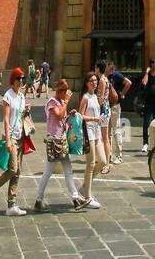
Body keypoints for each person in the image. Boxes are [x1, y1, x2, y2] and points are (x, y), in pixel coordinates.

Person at [34, 79, 84, 212]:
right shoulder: (52, 102)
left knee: (68, 169)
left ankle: (75, 198)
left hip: (61, 140)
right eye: (65, 92)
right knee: (48, 171)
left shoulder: (61, 102)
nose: (66, 95)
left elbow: (62, 119)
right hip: (54, 141)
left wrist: (69, 115)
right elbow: (57, 115)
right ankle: (38, 200)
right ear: (60, 91)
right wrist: (66, 102)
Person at [0, 68, 30, 217]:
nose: (22, 81)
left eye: (23, 78)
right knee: (12, 169)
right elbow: (6, 118)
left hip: (21, 136)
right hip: (10, 137)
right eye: (19, 78)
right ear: (13, 79)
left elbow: (21, 115)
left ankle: (12, 205)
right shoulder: (7, 96)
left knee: (17, 172)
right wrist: (8, 140)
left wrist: (27, 111)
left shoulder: (22, 96)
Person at [78, 71, 105, 210]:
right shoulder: (86, 98)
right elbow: (80, 116)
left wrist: (100, 133)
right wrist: (95, 119)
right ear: (87, 83)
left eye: (96, 81)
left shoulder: (95, 96)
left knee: (103, 161)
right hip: (88, 133)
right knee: (90, 164)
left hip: (96, 133)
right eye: (92, 81)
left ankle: (84, 186)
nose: (94, 83)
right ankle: (87, 197)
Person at [104, 58, 131, 164]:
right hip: (106, 106)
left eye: (106, 66)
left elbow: (128, 83)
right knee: (107, 131)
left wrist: (122, 94)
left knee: (116, 130)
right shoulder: (104, 76)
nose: (104, 68)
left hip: (115, 105)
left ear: (110, 66)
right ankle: (109, 154)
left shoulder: (116, 75)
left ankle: (119, 155)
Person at [140, 58, 155, 153]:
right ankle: (145, 143)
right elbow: (144, 83)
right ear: (152, 64)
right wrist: (146, 72)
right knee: (146, 124)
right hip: (148, 103)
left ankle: (154, 142)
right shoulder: (147, 74)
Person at [96, 61, 112, 175]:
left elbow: (101, 97)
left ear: (98, 69)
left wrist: (96, 107)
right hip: (106, 109)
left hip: (103, 110)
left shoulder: (102, 80)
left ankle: (106, 163)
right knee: (102, 137)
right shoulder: (105, 78)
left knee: (104, 137)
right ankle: (104, 161)